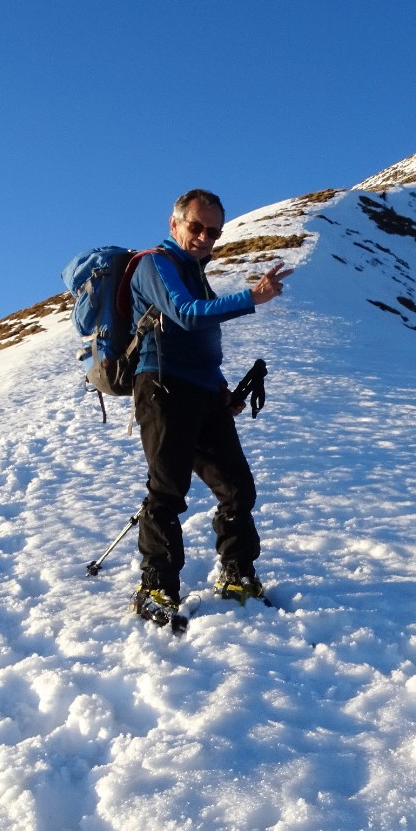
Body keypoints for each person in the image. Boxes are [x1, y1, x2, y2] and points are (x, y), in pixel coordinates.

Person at [128, 188, 292, 620]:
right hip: (162, 388)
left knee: (237, 487)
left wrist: (219, 391)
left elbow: (201, 343)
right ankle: (156, 588)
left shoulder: (193, 270)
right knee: (167, 491)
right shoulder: (156, 264)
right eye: (196, 227)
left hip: (201, 392)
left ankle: (237, 574)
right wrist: (251, 298)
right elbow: (186, 313)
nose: (204, 237)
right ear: (174, 224)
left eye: (213, 232)